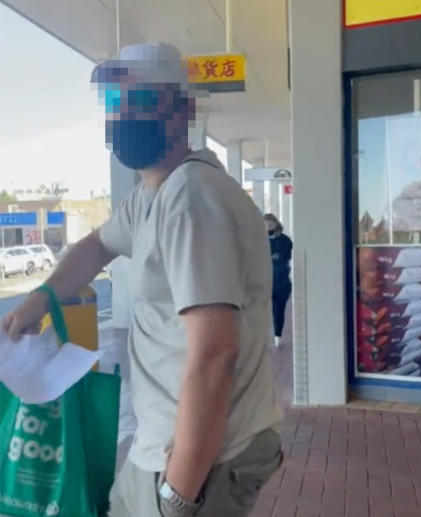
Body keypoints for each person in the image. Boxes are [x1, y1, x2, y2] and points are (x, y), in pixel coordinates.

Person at [1, 42, 284, 516]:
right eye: (117, 105)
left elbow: (216, 353)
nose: (126, 116)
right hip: (161, 448)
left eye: (144, 101)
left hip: (202, 456)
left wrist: (179, 494)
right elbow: (97, 244)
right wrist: (44, 297)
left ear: (183, 110)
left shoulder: (191, 198)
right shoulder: (153, 196)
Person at [264, 213, 292, 345]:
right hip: (263, 282)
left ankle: (277, 335)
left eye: (270, 224)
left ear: (276, 224)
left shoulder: (285, 240)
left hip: (281, 282)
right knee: (262, 310)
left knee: (278, 309)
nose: (268, 227)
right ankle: (264, 337)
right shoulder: (258, 240)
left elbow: (286, 256)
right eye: (266, 225)